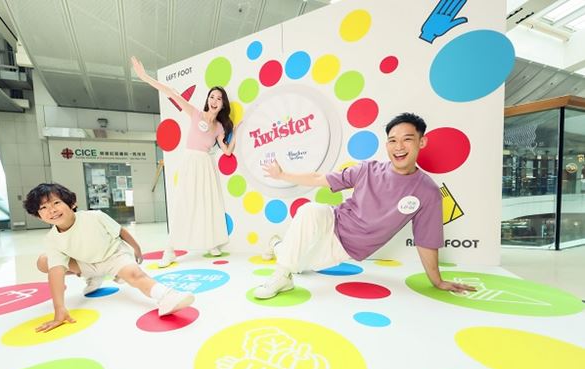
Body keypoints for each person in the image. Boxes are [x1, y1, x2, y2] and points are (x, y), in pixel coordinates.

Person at [254, 112, 476, 299]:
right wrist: (282, 175)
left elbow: (426, 240)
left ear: (422, 141)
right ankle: (282, 277)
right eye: (392, 140)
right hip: (332, 221)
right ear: (387, 144)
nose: (399, 147)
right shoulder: (368, 169)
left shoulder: (428, 192)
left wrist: (437, 281)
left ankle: (276, 244)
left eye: (407, 139)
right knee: (308, 211)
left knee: (297, 263)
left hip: (343, 249)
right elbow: (319, 178)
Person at [23, 183, 194, 332]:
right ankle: (94, 277)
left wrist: (136, 249)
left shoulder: (94, 216)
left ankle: (166, 296)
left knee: (134, 275)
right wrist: (59, 309)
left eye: (56, 203)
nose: (51, 210)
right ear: (38, 216)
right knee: (44, 261)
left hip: (114, 255)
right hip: (87, 264)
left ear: (71, 203)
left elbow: (120, 231)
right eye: (43, 208)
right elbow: (56, 273)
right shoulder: (52, 239)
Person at [131, 56, 239, 267]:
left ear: (223, 104)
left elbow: (226, 151)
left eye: (218, 98)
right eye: (212, 96)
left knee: (207, 203)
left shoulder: (219, 127)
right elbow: (172, 93)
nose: (214, 100)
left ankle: (211, 243)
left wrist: (234, 132)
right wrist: (145, 77)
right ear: (208, 99)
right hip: (191, 161)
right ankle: (170, 250)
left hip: (205, 165)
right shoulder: (196, 114)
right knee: (184, 204)